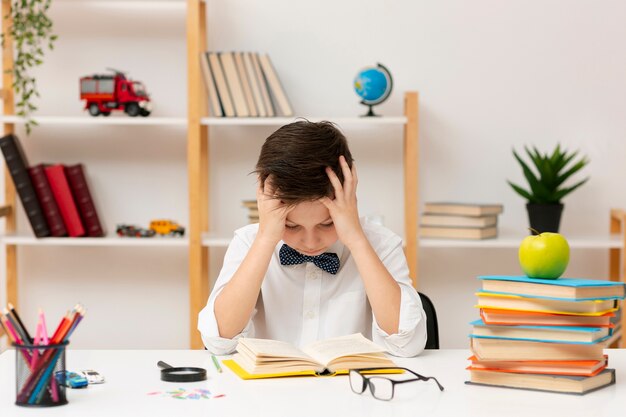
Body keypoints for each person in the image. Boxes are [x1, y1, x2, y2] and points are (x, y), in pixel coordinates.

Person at [198, 120, 427, 357]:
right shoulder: (249, 242)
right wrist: (266, 240)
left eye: (327, 223)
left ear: (350, 197)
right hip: (268, 392)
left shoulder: (380, 243)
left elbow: (406, 343)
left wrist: (357, 240)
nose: (310, 242)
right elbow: (219, 341)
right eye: (292, 225)